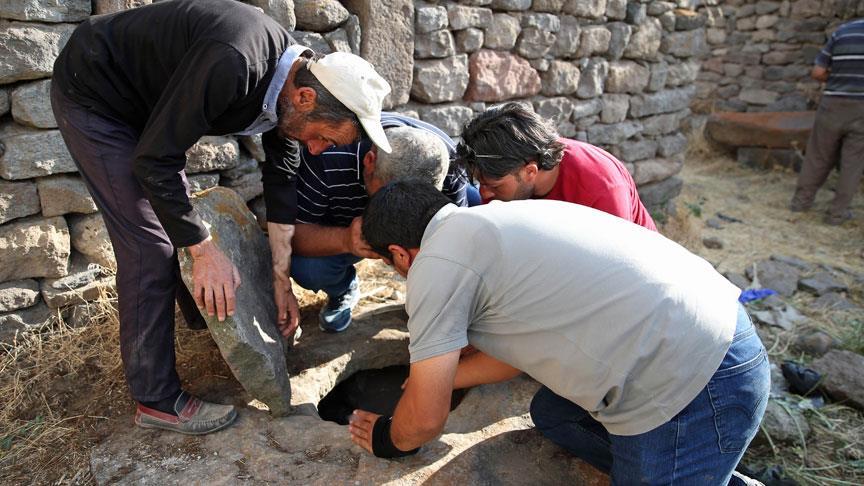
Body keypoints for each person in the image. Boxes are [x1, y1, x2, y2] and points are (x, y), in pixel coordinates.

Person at [50, 0, 391, 435]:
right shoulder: (236, 60)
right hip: (96, 93)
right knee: (151, 243)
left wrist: (280, 280)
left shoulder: (288, 88)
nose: (318, 150)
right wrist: (204, 249)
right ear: (305, 98)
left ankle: (203, 321)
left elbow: (281, 184)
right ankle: (156, 400)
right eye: (323, 137)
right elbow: (156, 160)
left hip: (148, 106)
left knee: (179, 219)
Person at [348, 180, 769, 485]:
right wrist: (448, 378)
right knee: (555, 414)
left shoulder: (435, 264)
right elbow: (517, 349)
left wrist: (388, 438)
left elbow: (423, 422)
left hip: (694, 381)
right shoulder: (488, 221)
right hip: (724, 335)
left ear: (401, 255)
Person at [291, 117, 470, 333]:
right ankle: (343, 288)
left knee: (475, 218)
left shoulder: (445, 160)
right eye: (388, 198)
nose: (398, 216)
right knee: (306, 268)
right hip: (342, 226)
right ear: (369, 160)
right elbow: (294, 234)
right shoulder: (327, 155)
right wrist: (345, 240)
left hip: (422, 228)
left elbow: (459, 236)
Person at [457, 102, 657, 231]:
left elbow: (615, 267)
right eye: (480, 182)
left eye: (494, 186)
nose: (485, 193)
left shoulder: (602, 190)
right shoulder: (509, 169)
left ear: (530, 172)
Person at [790, 18, 864, 225]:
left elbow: (818, 72)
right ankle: (836, 214)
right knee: (853, 163)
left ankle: (800, 203)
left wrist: (838, 78)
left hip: (833, 103)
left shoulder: (843, 32)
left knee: (818, 156)